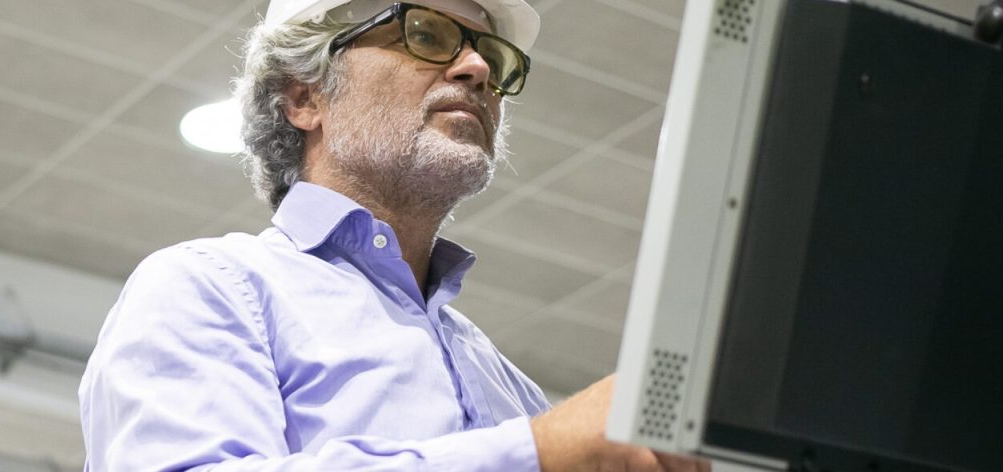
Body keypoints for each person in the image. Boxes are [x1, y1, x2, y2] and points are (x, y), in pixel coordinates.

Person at [78, 1, 710, 470]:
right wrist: (538, 452)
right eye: (426, 34)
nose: (476, 70)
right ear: (305, 96)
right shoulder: (210, 288)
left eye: (491, 56)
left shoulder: (508, 386)